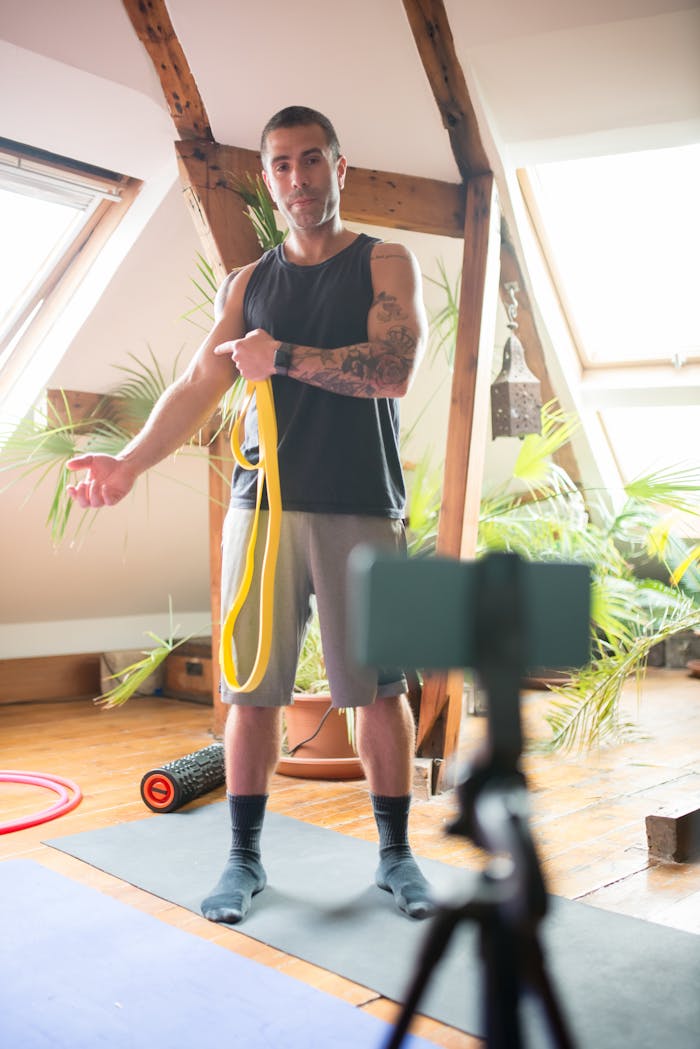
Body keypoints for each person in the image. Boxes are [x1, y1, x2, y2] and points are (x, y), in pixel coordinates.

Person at [67, 105, 433, 924]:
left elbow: (397, 366)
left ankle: (396, 855)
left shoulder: (385, 261)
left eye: (312, 161)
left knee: (377, 689)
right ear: (267, 180)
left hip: (362, 504)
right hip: (259, 509)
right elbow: (199, 382)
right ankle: (244, 860)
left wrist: (284, 358)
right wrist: (126, 464)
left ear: (340, 169)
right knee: (254, 693)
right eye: (280, 165)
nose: (297, 179)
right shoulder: (248, 284)